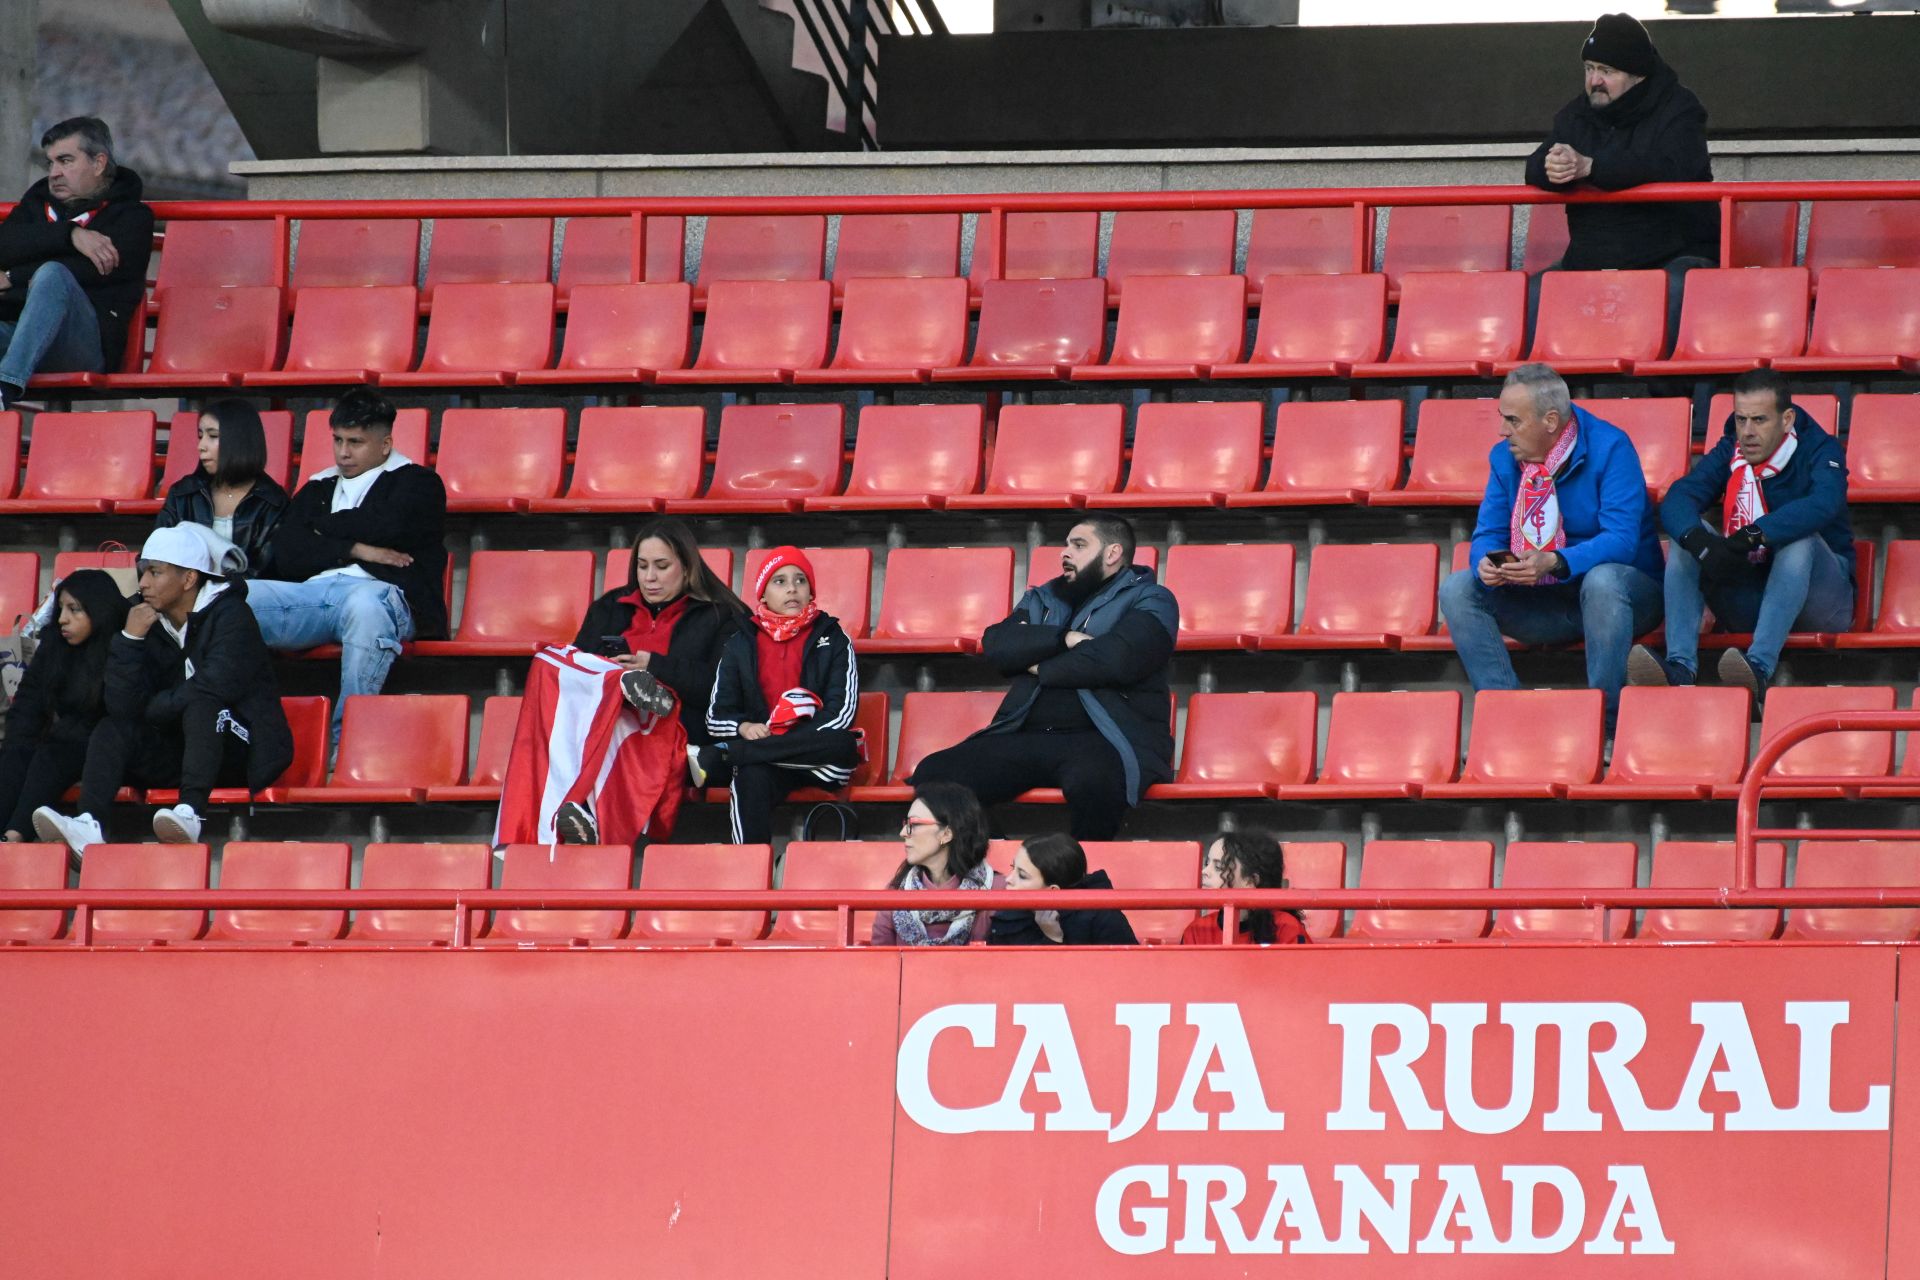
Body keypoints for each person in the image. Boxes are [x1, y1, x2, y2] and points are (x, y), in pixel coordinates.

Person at [911, 515, 1177, 840]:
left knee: (1094, 783)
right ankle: (994, 868)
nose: (1065, 553)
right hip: (1028, 733)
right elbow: (998, 645)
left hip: (1107, 738)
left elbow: (1118, 659)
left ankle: (1077, 878)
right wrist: (1065, 639)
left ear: (1112, 553)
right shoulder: (1043, 598)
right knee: (936, 775)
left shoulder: (1152, 598)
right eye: (1066, 544)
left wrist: (1040, 667)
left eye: (1079, 545)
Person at [33, 526, 293, 856]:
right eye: (143, 573)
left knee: (203, 702)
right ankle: (88, 824)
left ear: (188, 579)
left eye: (155, 573)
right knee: (113, 727)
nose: (142, 583)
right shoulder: (142, 619)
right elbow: (123, 707)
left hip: (241, 748)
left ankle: (191, 813)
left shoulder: (231, 614)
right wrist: (130, 641)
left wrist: (154, 708)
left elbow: (218, 684)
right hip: (181, 749)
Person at [493, 519, 749, 847]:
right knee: (550, 663)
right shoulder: (610, 608)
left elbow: (722, 690)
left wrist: (654, 666)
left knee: (612, 716)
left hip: (678, 729)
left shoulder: (721, 616)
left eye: (661, 566)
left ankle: (583, 810)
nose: (650, 577)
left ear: (687, 568)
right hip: (605, 725)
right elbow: (576, 678)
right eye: (642, 567)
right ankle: (624, 686)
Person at [1438, 364, 1663, 730]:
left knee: (1603, 581)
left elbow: (1622, 541)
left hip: (1624, 599)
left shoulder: (1612, 448)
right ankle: (1506, 722)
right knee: (1458, 588)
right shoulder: (1503, 457)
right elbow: (1487, 534)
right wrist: (1488, 564)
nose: (1502, 431)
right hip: (1545, 603)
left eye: (1513, 420)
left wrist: (1556, 561)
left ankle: (1605, 728)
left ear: (1550, 421)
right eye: (1502, 418)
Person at [1629, 369, 1853, 706]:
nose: (1747, 432)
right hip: (1752, 593)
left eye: (1760, 420)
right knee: (1687, 537)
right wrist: (1697, 541)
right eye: (1741, 419)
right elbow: (1681, 496)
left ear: (1787, 419)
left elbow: (1823, 503)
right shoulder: (1732, 446)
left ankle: (1758, 669)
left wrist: (1753, 535)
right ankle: (1680, 668)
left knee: (1799, 540)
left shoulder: (1821, 449)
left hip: (1821, 601)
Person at [250, 386, 448, 743]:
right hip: (314, 595)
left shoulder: (418, 482)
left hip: (383, 596)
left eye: (355, 442)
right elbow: (288, 549)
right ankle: (240, 730)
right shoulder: (318, 486)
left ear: (385, 445)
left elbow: (389, 526)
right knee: (232, 596)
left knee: (365, 604)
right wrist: (356, 549)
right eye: (338, 440)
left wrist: (322, 527)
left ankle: (347, 743)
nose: (343, 453)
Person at [1524, 14, 1717, 341]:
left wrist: (1591, 167)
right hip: (1589, 259)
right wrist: (1552, 168)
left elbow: (1672, 167)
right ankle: (1549, 391)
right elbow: (1534, 165)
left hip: (1673, 255)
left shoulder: (1681, 109)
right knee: (1533, 293)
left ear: (1638, 76)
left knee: (1677, 288)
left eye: (1607, 71)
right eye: (1589, 69)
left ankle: (1667, 391)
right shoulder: (1578, 113)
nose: (1594, 81)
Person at [700, 547, 862, 844]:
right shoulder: (740, 644)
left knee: (842, 744)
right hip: (764, 761)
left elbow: (842, 714)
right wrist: (743, 728)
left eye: (800, 580)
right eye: (780, 581)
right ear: (762, 595)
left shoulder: (834, 637)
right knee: (748, 777)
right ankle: (752, 872)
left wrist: (773, 743)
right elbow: (716, 717)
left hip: (818, 761)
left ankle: (731, 755)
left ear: (811, 592)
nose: (792, 588)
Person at [0, 117, 153, 409]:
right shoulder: (37, 203)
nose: (54, 173)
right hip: (18, 333)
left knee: (54, 274)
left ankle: (5, 387)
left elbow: (91, 272)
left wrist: (14, 277)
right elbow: (6, 242)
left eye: (66, 161)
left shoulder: (133, 217)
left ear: (98, 163)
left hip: (84, 347)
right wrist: (71, 235)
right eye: (50, 163)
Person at [0, 571, 130, 843]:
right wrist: (19, 746)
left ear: (99, 610)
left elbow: (118, 711)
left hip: (107, 750)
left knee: (54, 753)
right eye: (61, 609)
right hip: (65, 739)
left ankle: (14, 836)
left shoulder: (123, 643)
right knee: (16, 752)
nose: (62, 619)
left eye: (75, 610)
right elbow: (28, 703)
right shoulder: (55, 643)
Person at [155, 399, 289, 578]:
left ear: (240, 441)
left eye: (213, 436)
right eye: (200, 435)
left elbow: (265, 573)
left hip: (245, 600)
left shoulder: (273, 502)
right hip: (182, 598)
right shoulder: (183, 494)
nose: (201, 446)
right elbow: (154, 556)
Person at [871, 782, 1001, 946]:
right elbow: (879, 960)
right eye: (906, 824)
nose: (903, 833)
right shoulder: (896, 890)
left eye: (915, 824)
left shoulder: (998, 891)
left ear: (946, 833)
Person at [989, 833, 1138, 946]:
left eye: (1022, 876)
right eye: (1012, 868)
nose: (1008, 879)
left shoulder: (1103, 918)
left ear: (1053, 891)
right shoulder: (1008, 915)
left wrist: (1053, 939)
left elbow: (1125, 975)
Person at [1181, 830, 1309, 946]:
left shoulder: (1286, 928)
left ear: (1251, 880)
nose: (1204, 871)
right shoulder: (1197, 931)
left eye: (1219, 867)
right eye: (1207, 863)